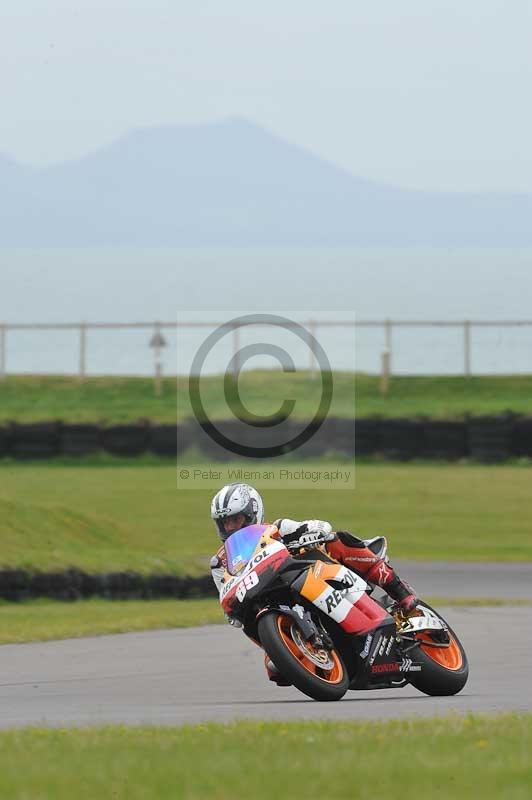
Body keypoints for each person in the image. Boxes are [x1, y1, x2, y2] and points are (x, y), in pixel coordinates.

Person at [209, 482, 418, 685]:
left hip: (322, 576)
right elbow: (225, 593)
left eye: (235, 519)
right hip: (267, 596)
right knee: (275, 670)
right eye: (225, 522)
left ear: (252, 513)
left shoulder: (276, 529)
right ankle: (300, 648)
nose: (230, 527)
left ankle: (400, 590)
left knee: (337, 539)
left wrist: (311, 533)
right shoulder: (220, 562)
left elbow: (319, 527)